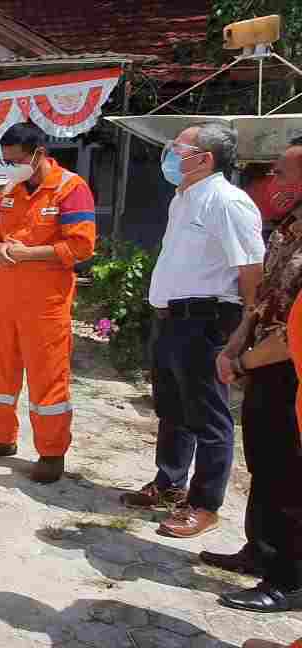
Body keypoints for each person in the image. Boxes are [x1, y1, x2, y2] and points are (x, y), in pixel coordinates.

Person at [121, 123, 264, 539]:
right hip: (170, 320)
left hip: (205, 321)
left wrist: (246, 328)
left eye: (177, 147)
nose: (169, 152)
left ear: (205, 158)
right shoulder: (183, 198)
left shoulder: (227, 201)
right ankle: (169, 483)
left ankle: (204, 505)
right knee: (172, 409)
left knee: (209, 417)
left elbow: (250, 268)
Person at [0, 122, 97, 484]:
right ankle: (0, 437)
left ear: (39, 153)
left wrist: (28, 254)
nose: (10, 167)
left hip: (47, 303)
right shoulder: (9, 189)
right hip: (6, 298)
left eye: (16, 160)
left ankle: (52, 453)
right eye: (6, 161)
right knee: (1, 372)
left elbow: (81, 246)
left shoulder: (71, 189)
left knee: (47, 380)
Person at [200, 139, 302, 584]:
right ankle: (260, 551)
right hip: (261, 362)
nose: (271, 182)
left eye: (281, 174)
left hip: (289, 370)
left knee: (289, 478)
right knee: (264, 466)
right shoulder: (287, 229)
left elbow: (292, 333)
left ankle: (286, 579)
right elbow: (262, 301)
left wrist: (245, 363)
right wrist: (235, 346)